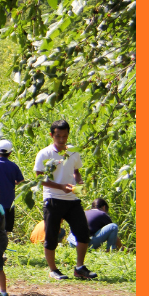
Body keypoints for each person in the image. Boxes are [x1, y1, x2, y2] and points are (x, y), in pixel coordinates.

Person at [34, 119, 98, 281]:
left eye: (65, 136)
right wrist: (60, 186)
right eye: (58, 136)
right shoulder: (45, 154)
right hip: (53, 199)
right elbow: (39, 179)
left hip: (72, 199)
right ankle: (53, 270)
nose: (62, 140)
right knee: (52, 236)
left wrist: (80, 183)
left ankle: (79, 268)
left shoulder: (73, 151)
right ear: (51, 135)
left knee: (83, 233)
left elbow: (76, 170)